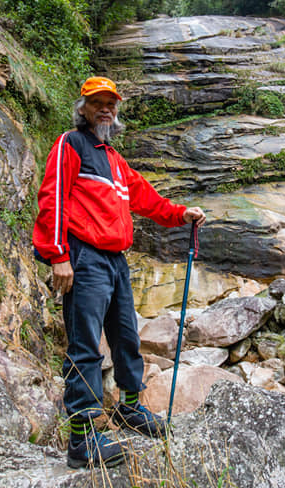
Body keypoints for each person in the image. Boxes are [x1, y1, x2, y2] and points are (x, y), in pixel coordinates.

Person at [33, 76, 206, 469]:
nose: (105, 109)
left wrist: (181, 214)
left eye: (111, 103)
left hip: (116, 260)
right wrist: (58, 255)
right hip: (84, 257)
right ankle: (82, 441)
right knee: (85, 346)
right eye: (98, 102)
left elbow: (147, 199)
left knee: (126, 338)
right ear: (83, 108)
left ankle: (129, 409)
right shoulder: (70, 144)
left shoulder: (113, 159)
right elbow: (52, 198)